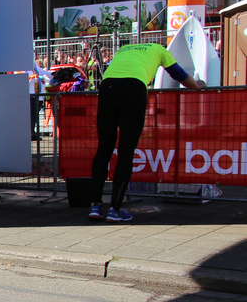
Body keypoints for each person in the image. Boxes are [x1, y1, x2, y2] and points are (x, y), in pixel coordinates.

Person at [88, 43, 205, 222]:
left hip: (108, 86)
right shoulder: (160, 50)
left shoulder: (124, 49)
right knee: (126, 151)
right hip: (134, 87)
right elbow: (179, 75)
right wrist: (198, 86)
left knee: (104, 149)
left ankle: (95, 206)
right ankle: (114, 209)